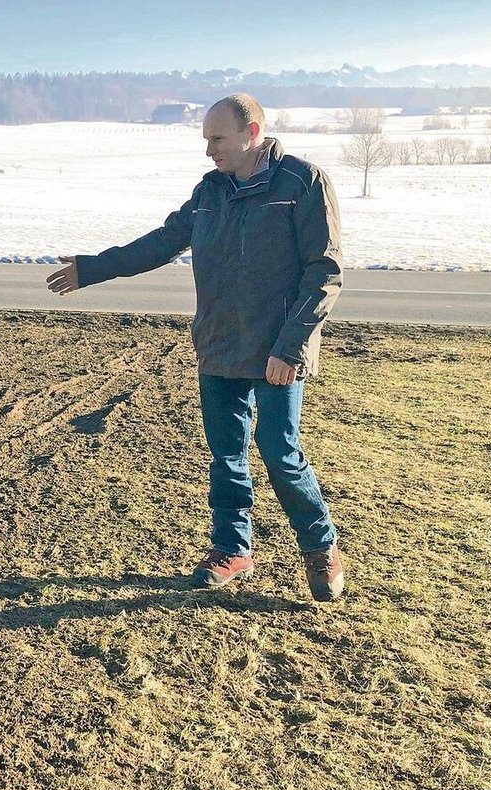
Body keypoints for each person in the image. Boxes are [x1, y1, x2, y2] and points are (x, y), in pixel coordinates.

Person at [47, 93, 345, 601]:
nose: (209, 150)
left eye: (218, 139)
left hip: (278, 350)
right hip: (219, 343)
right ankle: (232, 548)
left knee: (280, 452)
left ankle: (321, 547)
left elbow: (325, 273)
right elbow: (162, 243)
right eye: (207, 140)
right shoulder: (210, 192)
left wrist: (291, 347)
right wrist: (93, 268)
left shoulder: (302, 183)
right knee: (226, 455)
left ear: (252, 133)